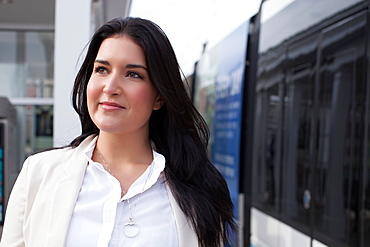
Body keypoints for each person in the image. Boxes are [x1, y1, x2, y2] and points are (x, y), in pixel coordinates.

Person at [0, 17, 236, 247]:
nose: (110, 87)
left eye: (133, 74)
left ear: (159, 97)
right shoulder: (39, 174)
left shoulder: (196, 189)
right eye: (101, 69)